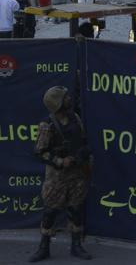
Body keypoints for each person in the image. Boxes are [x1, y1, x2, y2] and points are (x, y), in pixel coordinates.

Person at [28, 86, 92, 262]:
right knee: (50, 212)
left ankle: (76, 245)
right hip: (57, 178)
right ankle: (44, 247)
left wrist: (81, 156)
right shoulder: (47, 125)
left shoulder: (75, 119)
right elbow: (40, 152)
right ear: (57, 103)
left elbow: (84, 142)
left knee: (76, 209)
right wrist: (59, 161)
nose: (69, 99)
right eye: (65, 98)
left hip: (77, 175)